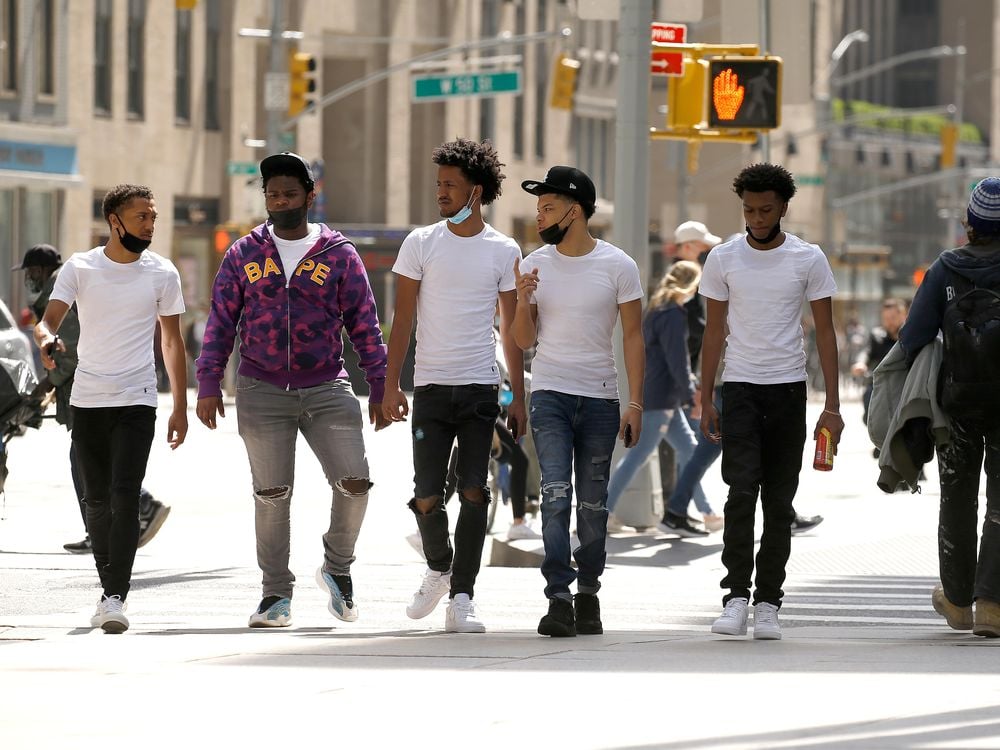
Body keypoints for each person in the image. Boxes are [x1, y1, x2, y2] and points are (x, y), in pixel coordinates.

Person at [196, 152, 388, 628]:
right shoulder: (243, 254)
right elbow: (221, 321)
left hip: (327, 386)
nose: (280, 201)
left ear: (309, 196)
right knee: (272, 494)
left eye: (289, 193)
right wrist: (208, 382)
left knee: (355, 481)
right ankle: (275, 595)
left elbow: (364, 322)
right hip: (261, 389)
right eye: (273, 194)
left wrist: (382, 383)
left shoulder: (339, 254)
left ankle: (337, 567)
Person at [382, 138, 525, 633]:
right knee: (426, 495)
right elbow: (402, 321)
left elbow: (510, 330)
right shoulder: (421, 243)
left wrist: (519, 396)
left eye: (450, 185)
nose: (441, 193)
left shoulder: (504, 249)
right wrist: (389, 385)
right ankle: (439, 568)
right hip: (431, 389)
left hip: (481, 389)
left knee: (473, 491)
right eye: (438, 184)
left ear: (475, 191)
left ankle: (463, 595)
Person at [33, 184, 188, 633]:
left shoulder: (162, 273)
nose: (150, 225)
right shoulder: (81, 268)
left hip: (137, 398)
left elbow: (172, 341)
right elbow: (49, 319)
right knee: (96, 501)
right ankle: (109, 590)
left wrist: (178, 404)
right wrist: (46, 340)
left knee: (125, 495)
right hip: (88, 399)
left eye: (153, 216)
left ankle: (115, 596)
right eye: (141, 217)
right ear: (115, 221)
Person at [699, 163, 842, 640]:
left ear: (783, 207)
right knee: (741, 495)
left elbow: (825, 332)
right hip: (738, 388)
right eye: (748, 210)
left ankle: (768, 603)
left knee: (779, 503)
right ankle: (736, 597)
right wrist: (706, 398)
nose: (756, 218)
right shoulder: (722, 258)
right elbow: (713, 332)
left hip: (787, 391)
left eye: (765, 209)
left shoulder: (808, 259)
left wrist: (833, 406)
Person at [514, 165, 644, 637]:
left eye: (548, 207)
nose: (540, 215)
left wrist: (636, 404)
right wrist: (521, 302)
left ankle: (589, 591)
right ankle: (559, 598)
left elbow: (633, 337)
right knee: (554, 494)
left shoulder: (618, 265)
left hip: (600, 398)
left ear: (574, 210)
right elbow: (523, 341)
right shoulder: (534, 264)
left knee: (592, 503)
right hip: (548, 392)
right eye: (538, 208)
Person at [15, 244, 171, 555]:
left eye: (31, 271)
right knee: (93, 454)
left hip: (89, 388)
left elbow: (70, 350)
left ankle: (125, 514)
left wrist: (49, 380)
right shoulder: (68, 283)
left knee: (85, 457)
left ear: (43, 269)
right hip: (99, 384)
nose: (29, 278)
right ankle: (116, 520)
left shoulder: (60, 289)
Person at [898, 177, 1000, 638]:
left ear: (971, 224)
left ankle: (958, 601)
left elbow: (912, 337)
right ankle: (993, 604)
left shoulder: (946, 267)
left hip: (955, 403)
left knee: (957, 496)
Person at [604, 261, 704, 534]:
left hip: (662, 396)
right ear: (690, 285)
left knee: (691, 452)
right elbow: (678, 360)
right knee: (637, 457)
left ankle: (695, 512)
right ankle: (604, 513)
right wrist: (690, 394)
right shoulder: (672, 314)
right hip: (661, 398)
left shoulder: (657, 310)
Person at [851, 298, 908, 426]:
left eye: (893, 317)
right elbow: (866, 352)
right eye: (886, 318)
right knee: (869, 400)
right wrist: (861, 363)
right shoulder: (877, 336)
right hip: (880, 384)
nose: (889, 322)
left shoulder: (910, 337)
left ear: (903, 315)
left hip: (905, 385)